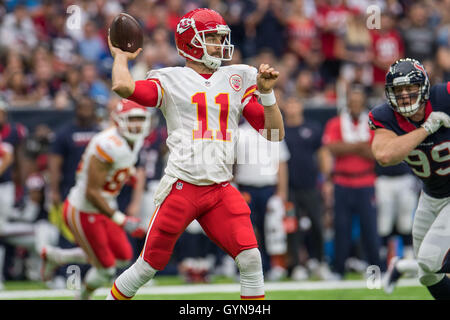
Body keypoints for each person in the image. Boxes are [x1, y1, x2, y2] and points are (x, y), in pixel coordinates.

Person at [106, 8, 284, 300]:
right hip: (182, 186)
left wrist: (267, 94)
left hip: (220, 188)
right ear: (190, 42)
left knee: (251, 259)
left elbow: (275, 133)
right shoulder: (171, 79)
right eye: (211, 38)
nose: (219, 44)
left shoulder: (237, 77)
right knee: (147, 267)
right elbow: (123, 86)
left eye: (220, 37)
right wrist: (122, 57)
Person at [41, 99, 149, 300]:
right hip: (84, 209)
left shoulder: (135, 140)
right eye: (131, 119)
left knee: (123, 257)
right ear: (118, 120)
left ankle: (57, 256)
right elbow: (92, 192)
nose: (136, 125)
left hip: (105, 205)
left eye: (140, 119)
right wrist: (121, 220)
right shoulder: (107, 144)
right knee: (106, 269)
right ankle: (82, 297)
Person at [369, 58, 450, 299]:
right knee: (427, 273)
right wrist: (427, 128)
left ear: (424, 87)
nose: (404, 95)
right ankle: (402, 267)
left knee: (429, 259)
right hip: (432, 194)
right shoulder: (384, 116)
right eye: (398, 90)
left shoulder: (444, 96)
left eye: (410, 88)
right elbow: (385, 155)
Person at [322, 84, 381, 279]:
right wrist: (360, 146)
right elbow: (332, 148)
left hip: (365, 181)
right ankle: (339, 270)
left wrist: (348, 146)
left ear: (363, 101)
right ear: (347, 102)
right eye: (352, 100)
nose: (355, 104)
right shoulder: (335, 122)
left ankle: (375, 270)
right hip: (343, 182)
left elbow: (374, 152)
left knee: (370, 229)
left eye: (358, 100)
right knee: (342, 228)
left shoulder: (373, 122)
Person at [282, 97, 335, 280]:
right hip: (289, 188)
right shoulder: (280, 130)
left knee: (317, 226)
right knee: (292, 228)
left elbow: (323, 153)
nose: (292, 107)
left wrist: (326, 179)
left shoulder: (312, 128)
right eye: (289, 103)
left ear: (301, 106)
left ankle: (319, 262)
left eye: (295, 103)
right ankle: (296, 265)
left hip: (311, 186)